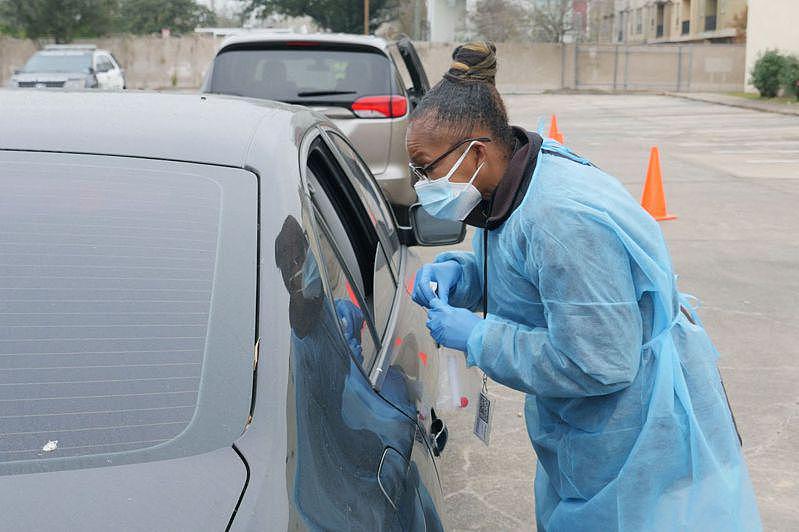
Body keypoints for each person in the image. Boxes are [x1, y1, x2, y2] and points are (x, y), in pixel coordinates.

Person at [408, 42, 761, 531]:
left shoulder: (561, 220)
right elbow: (535, 277)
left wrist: (478, 338)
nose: (421, 182)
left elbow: (597, 362)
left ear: (476, 151)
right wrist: (465, 277)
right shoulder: (517, 176)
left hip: (633, 430)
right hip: (592, 429)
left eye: (425, 167)